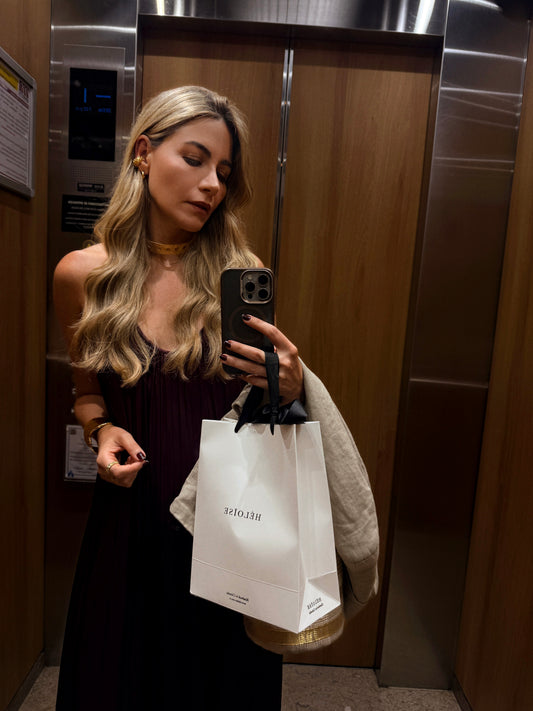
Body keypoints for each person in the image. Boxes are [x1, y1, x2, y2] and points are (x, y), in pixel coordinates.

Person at [53, 85, 304, 711]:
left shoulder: (238, 275)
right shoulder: (82, 275)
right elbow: (86, 393)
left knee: (218, 689)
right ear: (144, 153)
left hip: (229, 531)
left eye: (224, 171)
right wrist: (100, 431)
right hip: (129, 528)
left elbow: (264, 413)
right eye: (194, 159)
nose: (211, 184)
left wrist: (291, 388)